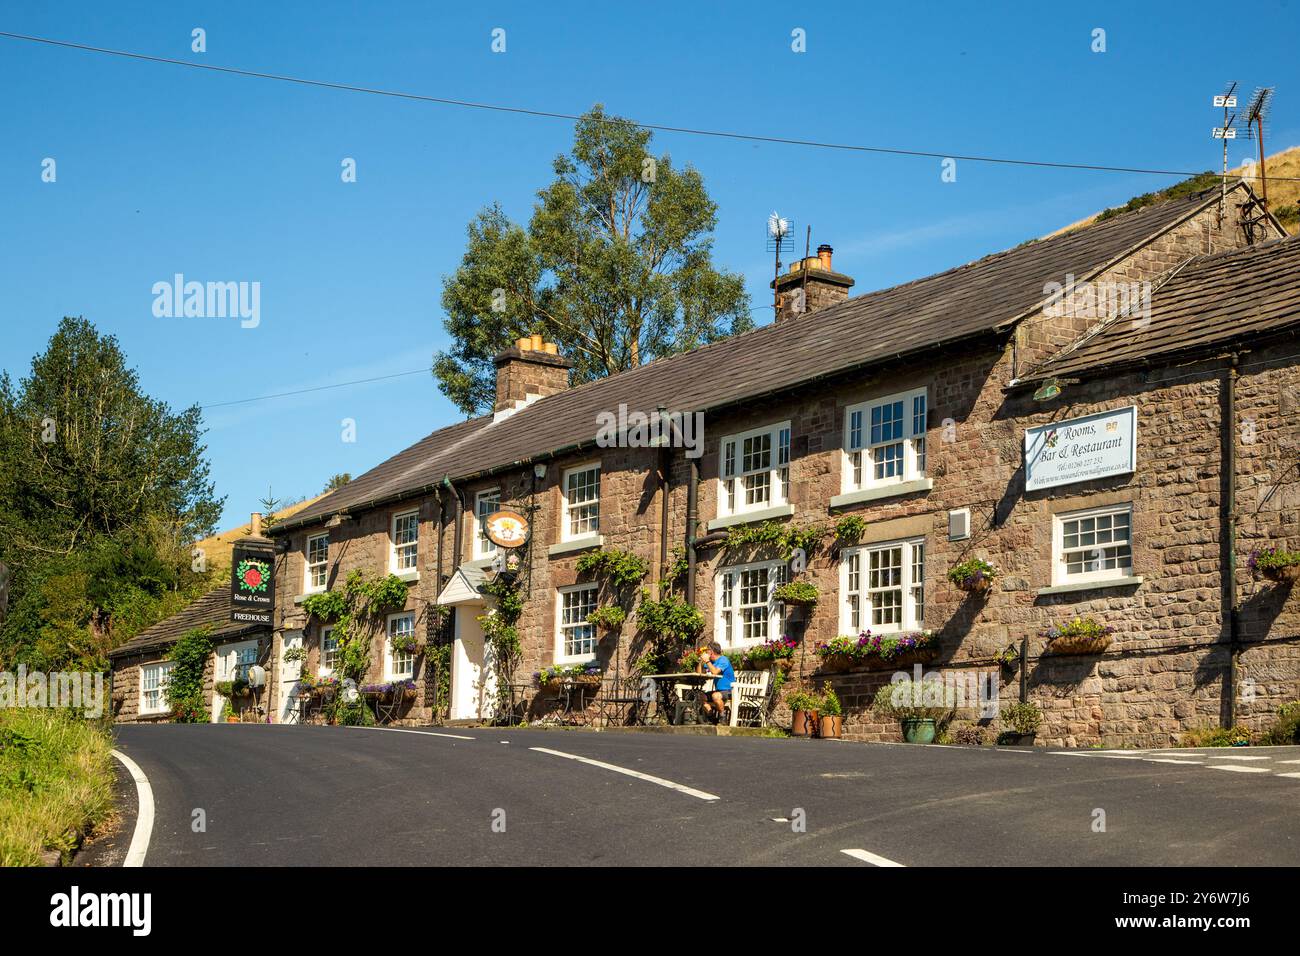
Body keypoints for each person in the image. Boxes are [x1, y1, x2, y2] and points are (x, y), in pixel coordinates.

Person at [695, 641, 734, 723]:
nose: (706, 652)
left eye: (707, 650)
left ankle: (723, 718)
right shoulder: (711, 662)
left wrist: (707, 661)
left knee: (715, 696)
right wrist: (700, 662)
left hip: (729, 691)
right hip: (718, 691)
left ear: (711, 651)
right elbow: (699, 674)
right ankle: (711, 717)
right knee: (700, 696)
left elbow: (715, 672)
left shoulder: (723, 659)